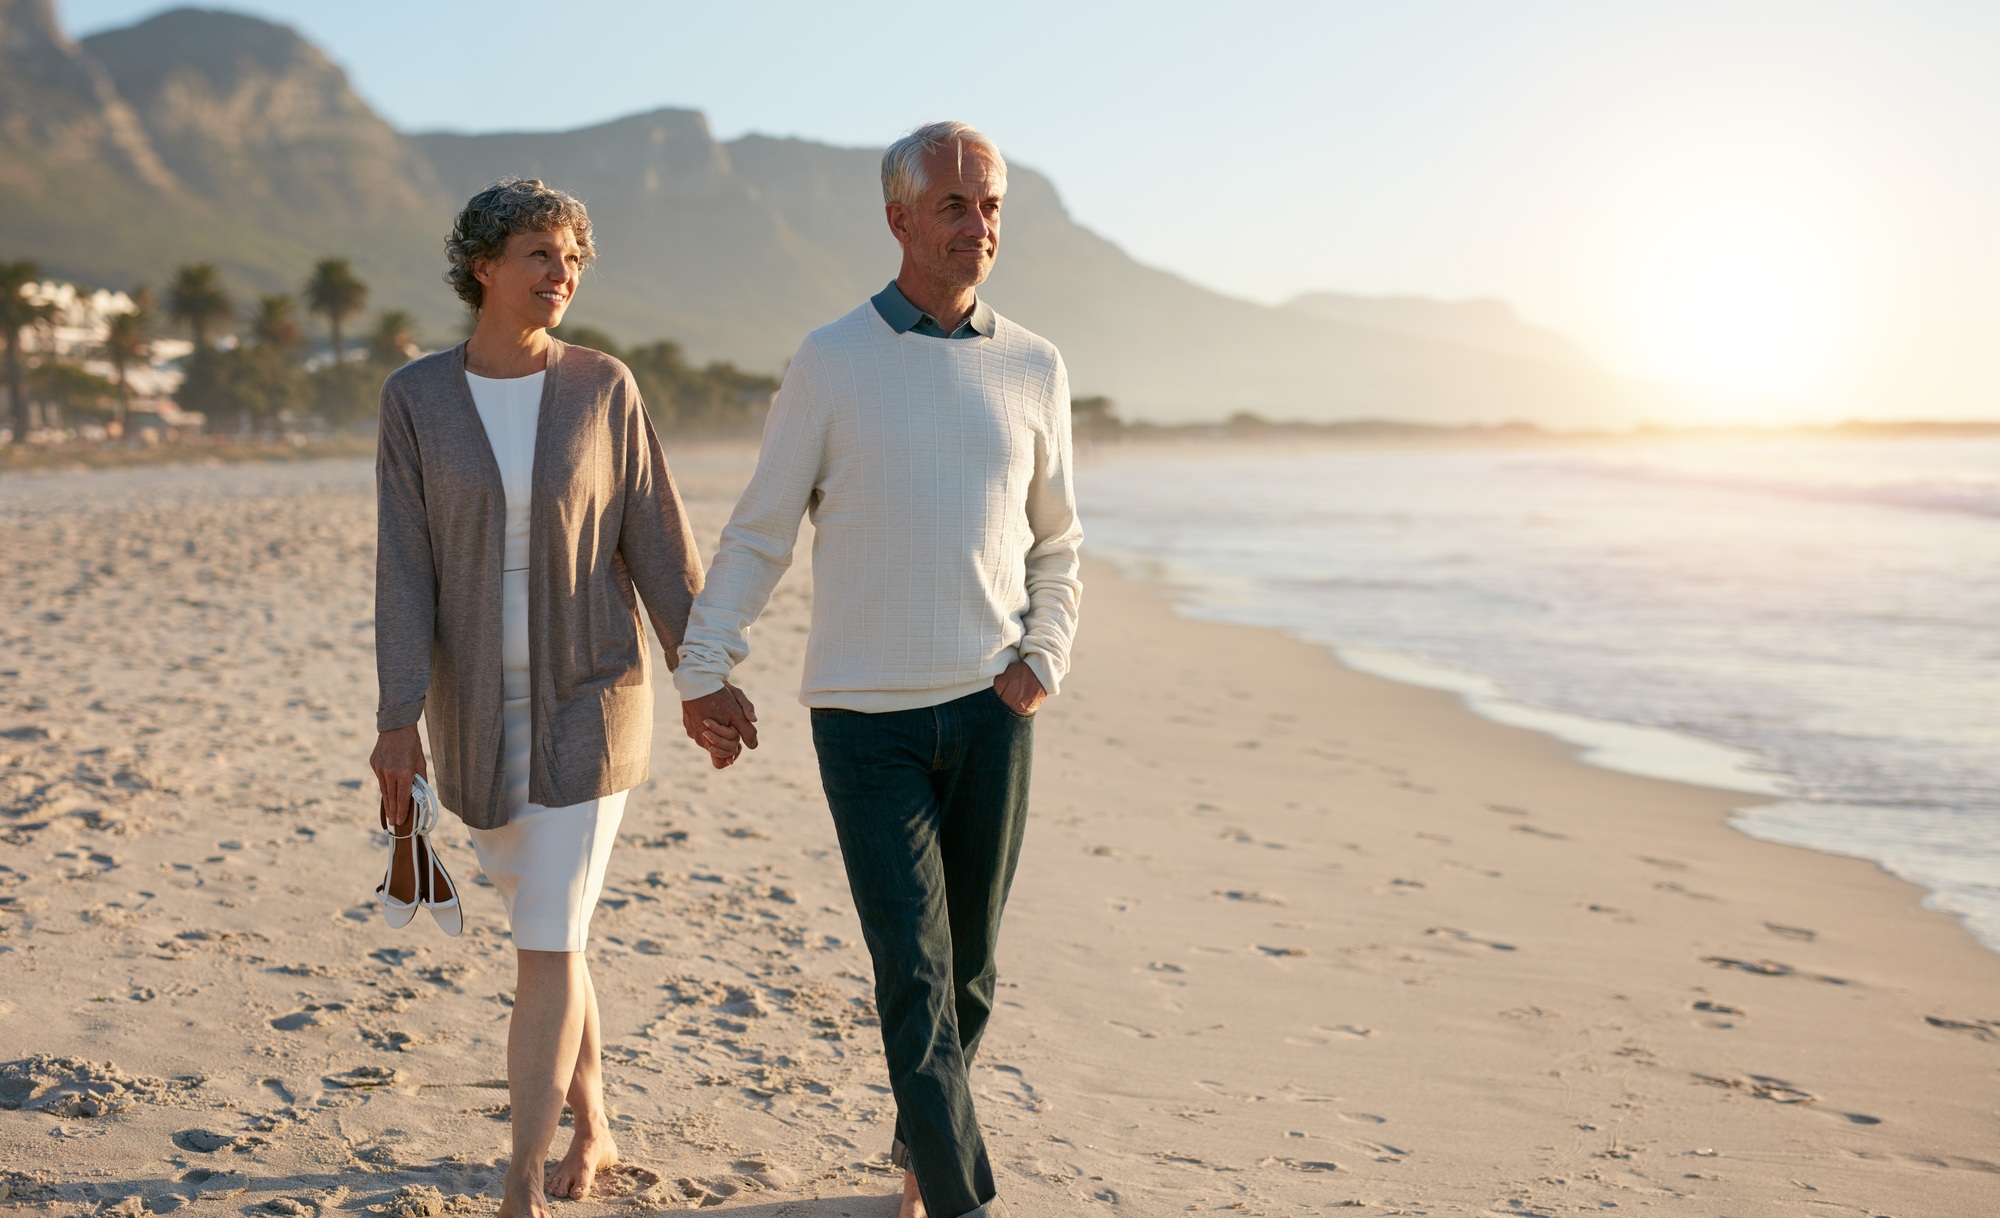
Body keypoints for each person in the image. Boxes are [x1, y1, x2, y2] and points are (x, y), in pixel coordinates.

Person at [674, 122, 1084, 1218]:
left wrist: (1041, 659)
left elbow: (1058, 541)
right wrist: (703, 667)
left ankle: (917, 1159)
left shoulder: (1034, 365)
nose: (977, 224)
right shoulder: (832, 360)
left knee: (972, 976)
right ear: (898, 218)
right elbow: (761, 532)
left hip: (994, 710)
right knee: (913, 968)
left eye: (989, 204)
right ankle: (958, 1201)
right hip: (864, 720)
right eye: (953, 204)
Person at [369, 177, 737, 1218]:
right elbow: (403, 569)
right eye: (539, 253)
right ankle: (597, 1123)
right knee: (554, 930)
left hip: (592, 704)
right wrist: (398, 718)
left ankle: (521, 1183)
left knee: (546, 941)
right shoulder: (416, 400)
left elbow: (658, 542)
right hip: (477, 718)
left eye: (572, 258)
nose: (560, 275)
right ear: (482, 266)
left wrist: (700, 676)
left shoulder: (602, 388)